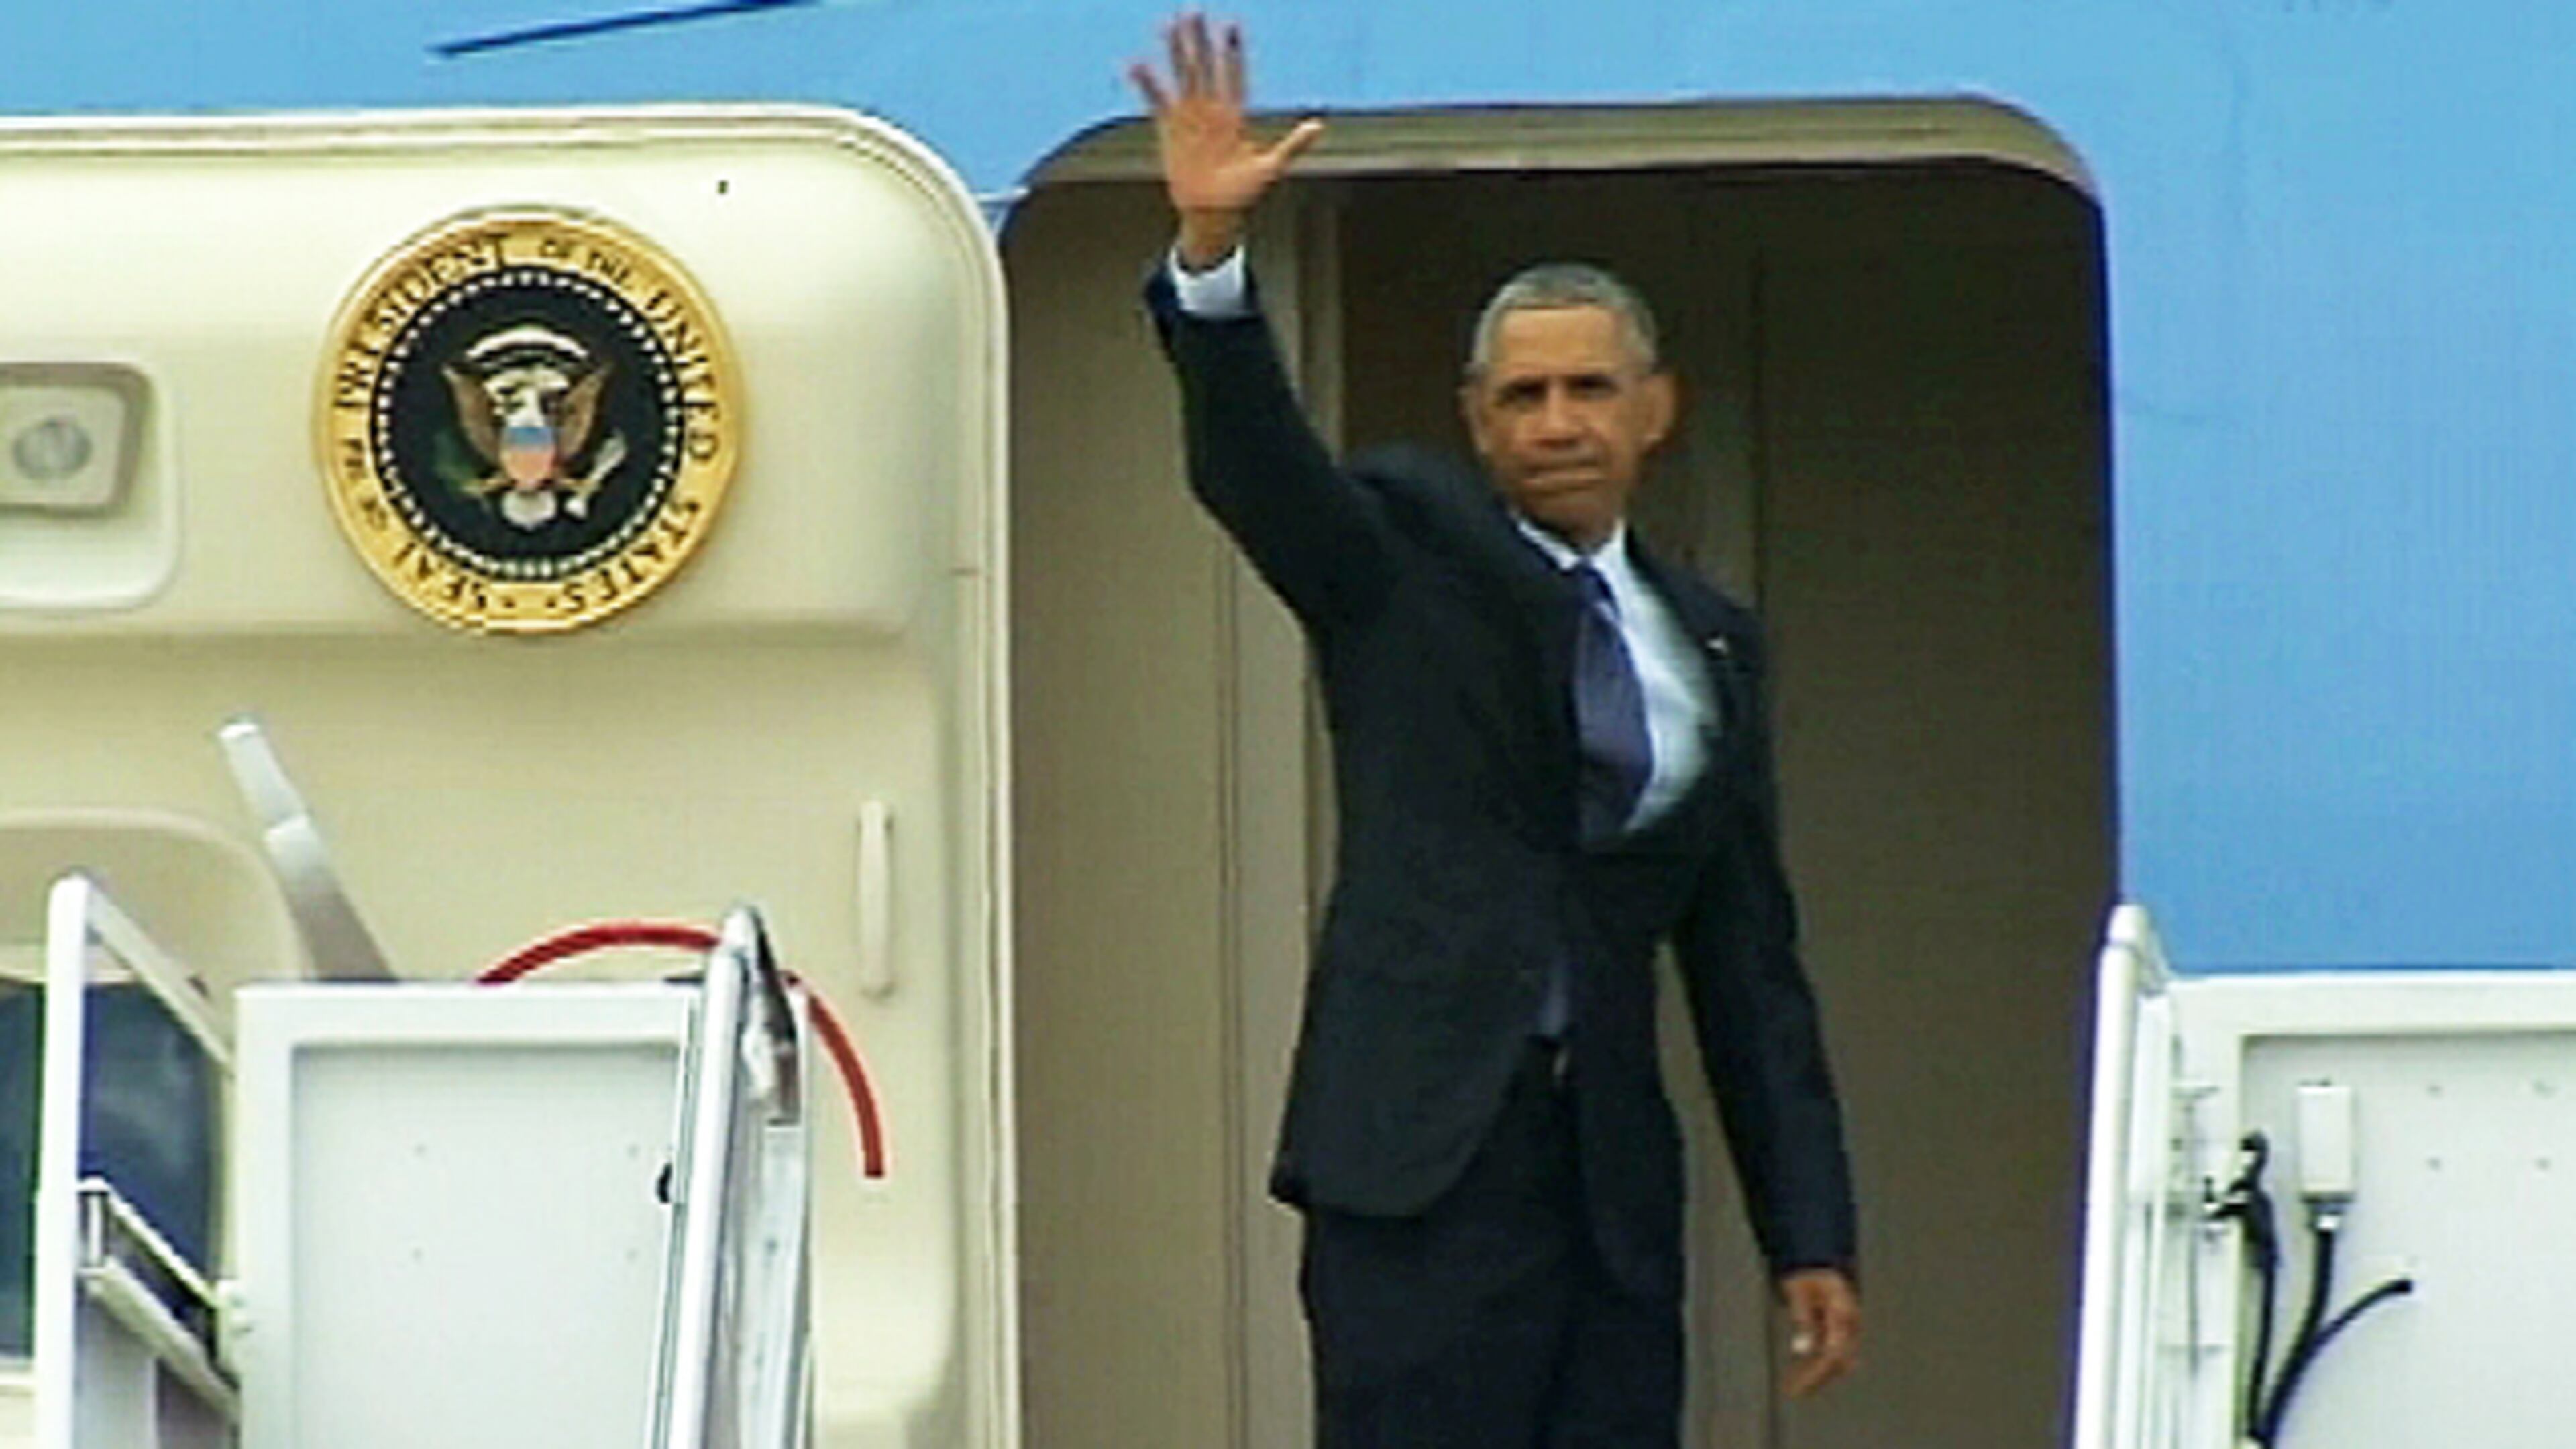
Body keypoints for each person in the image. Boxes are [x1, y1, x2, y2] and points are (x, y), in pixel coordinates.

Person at [1130, 15, 1862, 1446]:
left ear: (1658, 411)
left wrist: (1812, 1230)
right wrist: (1211, 267)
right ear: (1476, 424)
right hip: (1418, 1164)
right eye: (1521, 396)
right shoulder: (1403, 556)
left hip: (1605, 1187)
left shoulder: (1713, 641)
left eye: (1591, 388)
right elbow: (1261, 476)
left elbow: (1745, 964)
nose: (1557, 421)